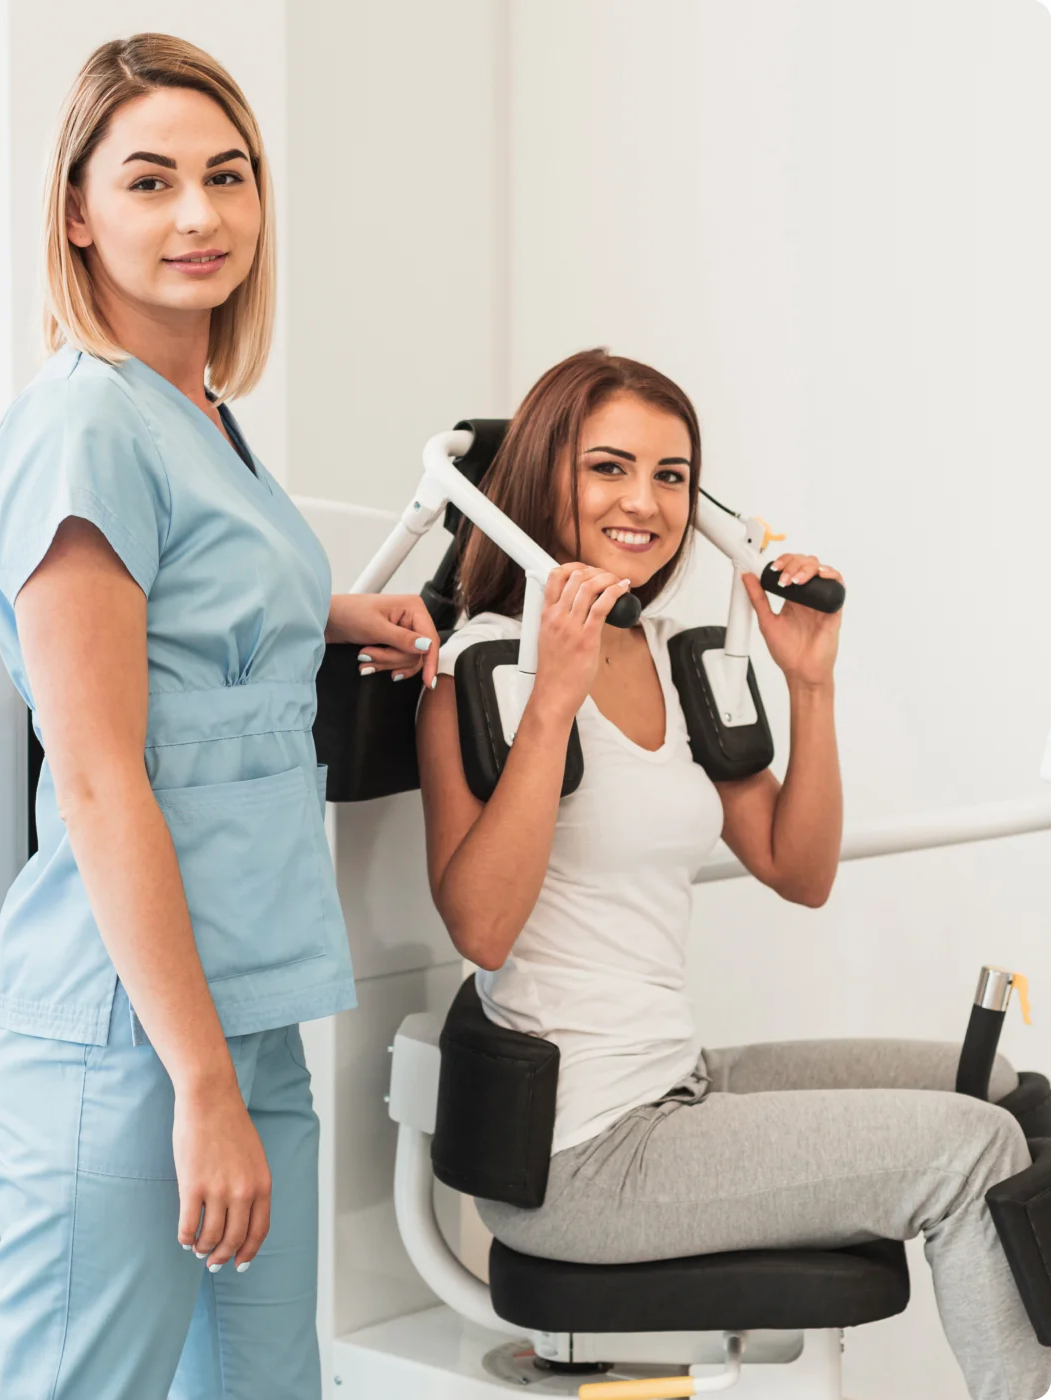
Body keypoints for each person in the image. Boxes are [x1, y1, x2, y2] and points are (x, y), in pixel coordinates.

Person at [415, 348, 1051, 1400]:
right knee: (969, 1147)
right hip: (578, 1153)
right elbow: (480, 926)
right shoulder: (478, 668)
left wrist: (811, 685)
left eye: (670, 475)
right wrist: (553, 700)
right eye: (608, 467)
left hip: (677, 1083)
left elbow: (799, 870)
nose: (644, 502)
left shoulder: (676, 654)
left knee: (1001, 1092)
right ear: (542, 480)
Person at [0, 33, 437, 1400]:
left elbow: (182, 605)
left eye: (227, 177)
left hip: (244, 1008)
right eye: (150, 180)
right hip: (131, 1036)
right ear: (77, 211)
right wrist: (199, 1085)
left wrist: (327, 613)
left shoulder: (197, 412)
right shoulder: (84, 426)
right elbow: (99, 774)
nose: (199, 215)